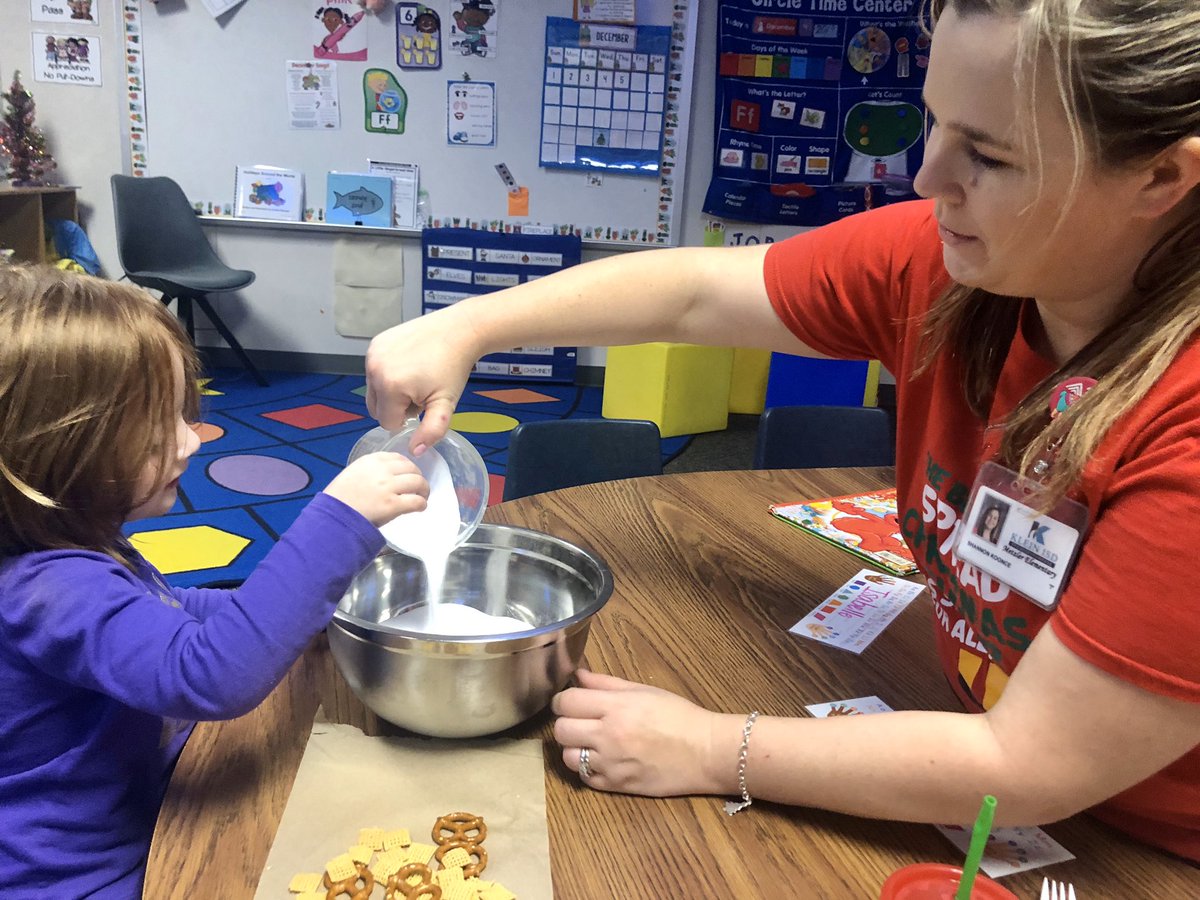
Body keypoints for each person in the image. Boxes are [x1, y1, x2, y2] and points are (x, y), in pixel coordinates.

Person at [364, 0, 1200, 864]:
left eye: (989, 156)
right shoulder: (956, 264)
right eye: (934, 122)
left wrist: (709, 748)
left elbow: (1028, 763)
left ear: (1161, 178)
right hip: (970, 744)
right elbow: (694, 294)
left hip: (1145, 849)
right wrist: (468, 325)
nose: (927, 178)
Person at [0, 266, 429, 896]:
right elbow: (208, 676)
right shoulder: (48, 591)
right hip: (81, 874)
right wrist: (339, 520)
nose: (191, 440)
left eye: (185, 414)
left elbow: (164, 605)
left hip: (139, 796)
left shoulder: (61, 545)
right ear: (59, 449)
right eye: (157, 427)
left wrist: (295, 611)